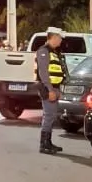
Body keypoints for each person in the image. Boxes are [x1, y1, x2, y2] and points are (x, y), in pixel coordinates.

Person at [35, 27, 68, 155]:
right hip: (48, 89)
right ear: (53, 37)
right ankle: (44, 145)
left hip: (54, 88)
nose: (61, 41)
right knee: (49, 116)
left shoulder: (53, 51)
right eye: (59, 38)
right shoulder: (44, 51)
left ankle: (48, 143)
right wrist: (50, 90)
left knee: (51, 116)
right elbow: (43, 73)